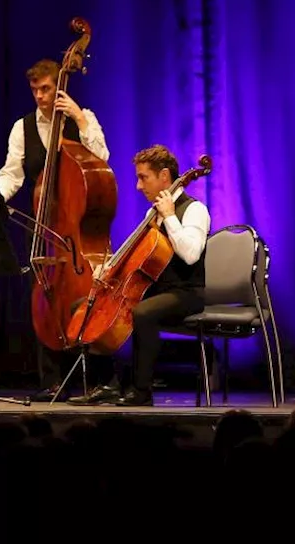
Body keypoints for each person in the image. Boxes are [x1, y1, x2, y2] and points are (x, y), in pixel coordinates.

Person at [0, 58, 110, 402]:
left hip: (78, 229)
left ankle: (96, 378)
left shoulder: (82, 118)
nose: (41, 96)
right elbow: (13, 174)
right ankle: (52, 379)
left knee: (87, 298)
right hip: (43, 227)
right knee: (45, 298)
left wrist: (78, 117)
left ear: (59, 86)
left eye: (46, 89)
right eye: (35, 90)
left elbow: (102, 158)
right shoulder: (22, 127)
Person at [66, 144, 210, 407]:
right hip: (155, 289)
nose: (138, 186)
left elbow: (190, 255)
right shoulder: (151, 214)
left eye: (144, 177)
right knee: (84, 307)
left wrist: (169, 217)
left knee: (143, 313)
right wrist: (108, 269)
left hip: (187, 291)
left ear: (164, 177)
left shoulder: (194, 210)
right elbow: (137, 259)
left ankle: (141, 391)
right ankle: (108, 383)